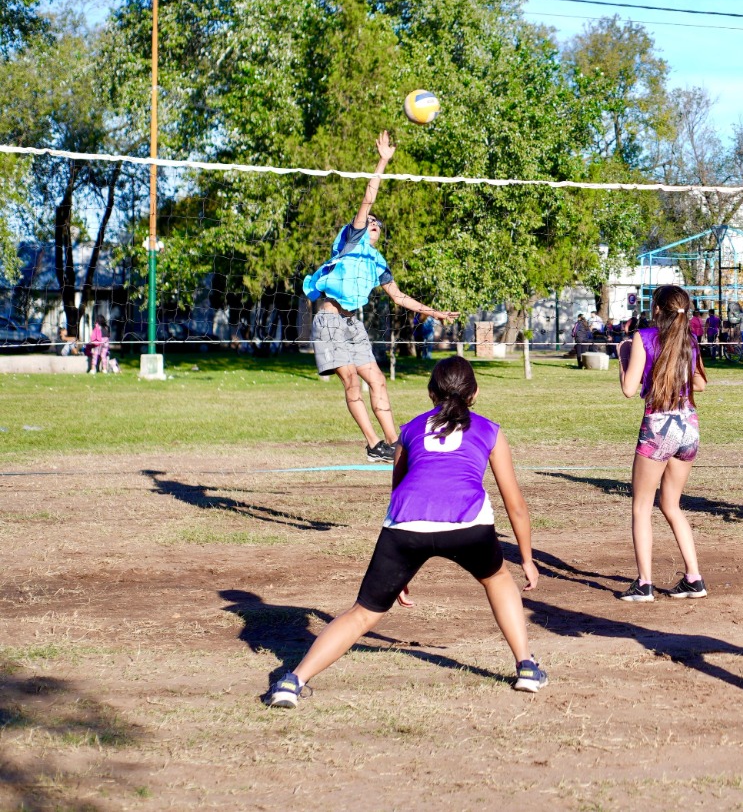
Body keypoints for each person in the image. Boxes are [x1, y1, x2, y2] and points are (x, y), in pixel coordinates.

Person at [265, 356, 546, 708]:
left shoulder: (410, 429)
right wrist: (526, 558)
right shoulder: (489, 429)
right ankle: (526, 667)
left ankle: (292, 681)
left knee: (363, 613)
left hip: (406, 527)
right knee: (498, 578)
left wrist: (399, 568)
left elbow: (397, 492)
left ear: (430, 393)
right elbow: (515, 503)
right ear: (474, 394)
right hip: (467, 523)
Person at [302, 132, 458, 463]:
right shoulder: (351, 241)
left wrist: (435, 312)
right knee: (351, 383)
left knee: (378, 380)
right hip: (329, 320)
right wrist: (383, 161)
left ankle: (394, 444)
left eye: (377, 225)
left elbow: (399, 297)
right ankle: (374, 444)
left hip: (351, 324)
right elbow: (368, 199)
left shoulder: (377, 261)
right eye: (370, 222)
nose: (374, 224)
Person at [616, 285, 709, 603]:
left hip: (659, 426)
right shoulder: (690, 339)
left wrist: (623, 358)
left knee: (642, 506)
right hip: (688, 426)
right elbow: (700, 384)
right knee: (671, 505)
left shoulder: (643, 338)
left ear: (657, 309)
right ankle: (693, 578)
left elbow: (629, 389)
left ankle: (644, 584)